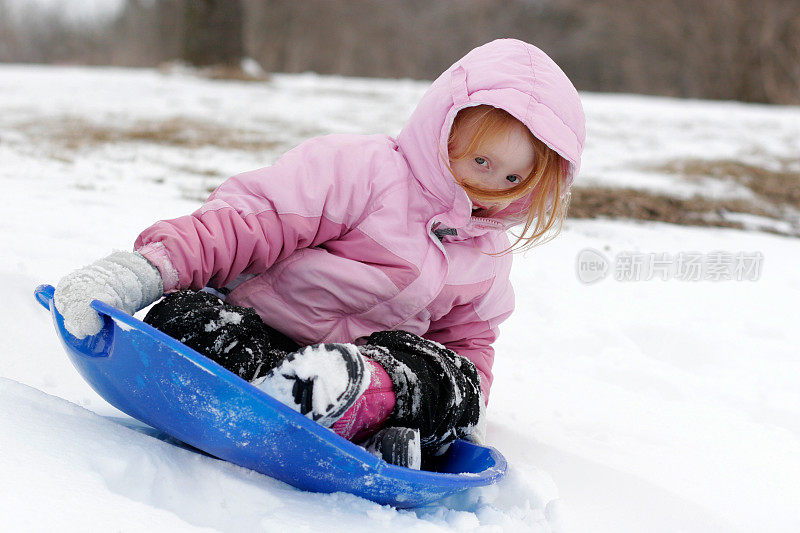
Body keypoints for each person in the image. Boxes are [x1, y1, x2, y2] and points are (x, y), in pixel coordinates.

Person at [54, 39, 585, 470]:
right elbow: (246, 224)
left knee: (452, 380)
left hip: (367, 368)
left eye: (515, 178)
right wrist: (142, 272)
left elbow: (468, 340)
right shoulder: (362, 172)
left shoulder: (489, 255)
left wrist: (458, 415)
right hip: (262, 329)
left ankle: (357, 407)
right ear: (443, 131)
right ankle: (265, 388)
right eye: (481, 161)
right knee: (193, 319)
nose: (490, 188)